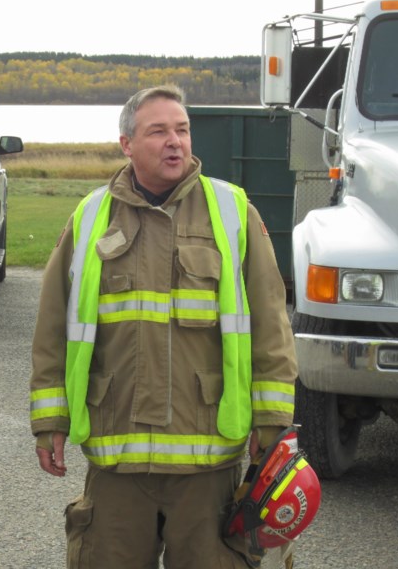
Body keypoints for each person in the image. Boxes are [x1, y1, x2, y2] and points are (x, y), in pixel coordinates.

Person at [29, 85, 298, 568]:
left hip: (208, 458)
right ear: (126, 144)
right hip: (117, 457)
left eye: (183, 130)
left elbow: (270, 322)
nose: (175, 141)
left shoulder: (233, 212)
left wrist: (271, 420)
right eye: (158, 131)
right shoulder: (90, 217)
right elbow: (53, 324)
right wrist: (49, 421)